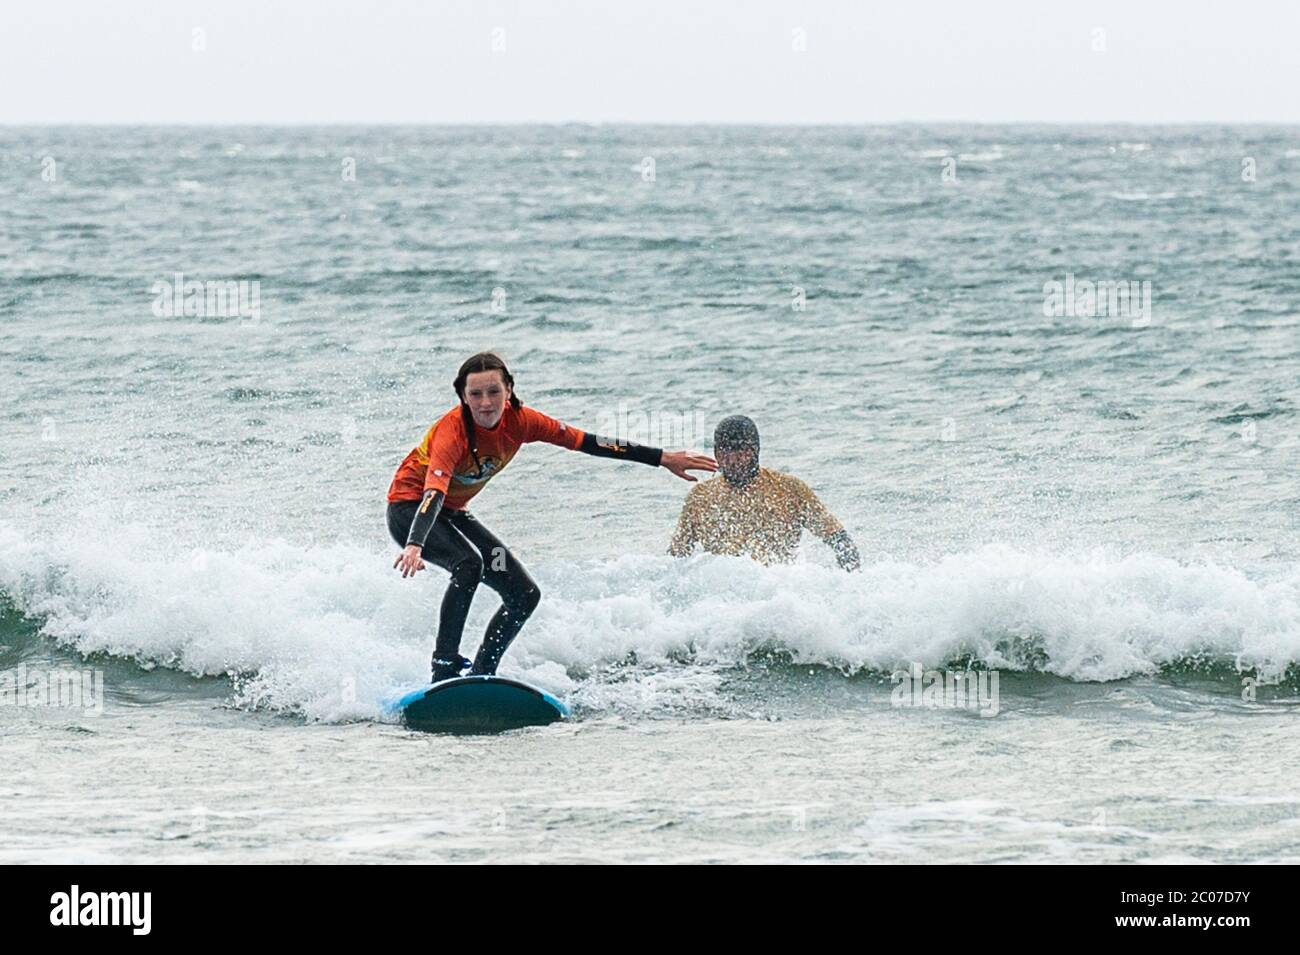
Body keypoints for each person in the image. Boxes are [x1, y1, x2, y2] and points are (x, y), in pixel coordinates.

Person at [388, 352, 716, 682]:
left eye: (494, 392)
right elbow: (433, 493)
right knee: (469, 565)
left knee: (523, 594)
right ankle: (443, 667)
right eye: (475, 394)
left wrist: (661, 457)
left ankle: (482, 674)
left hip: (454, 513)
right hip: (411, 510)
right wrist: (415, 544)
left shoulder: (523, 422)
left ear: (509, 390)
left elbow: (591, 442)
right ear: (462, 396)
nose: (485, 403)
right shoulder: (453, 431)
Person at [668, 415, 860, 571]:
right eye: (724, 452)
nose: (731, 460)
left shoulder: (789, 489)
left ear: (755, 451)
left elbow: (840, 541)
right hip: (722, 598)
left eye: (740, 451)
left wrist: (850, 585)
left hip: (775, 591)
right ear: (716, 453)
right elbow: (675, 558)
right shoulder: (701, 496)